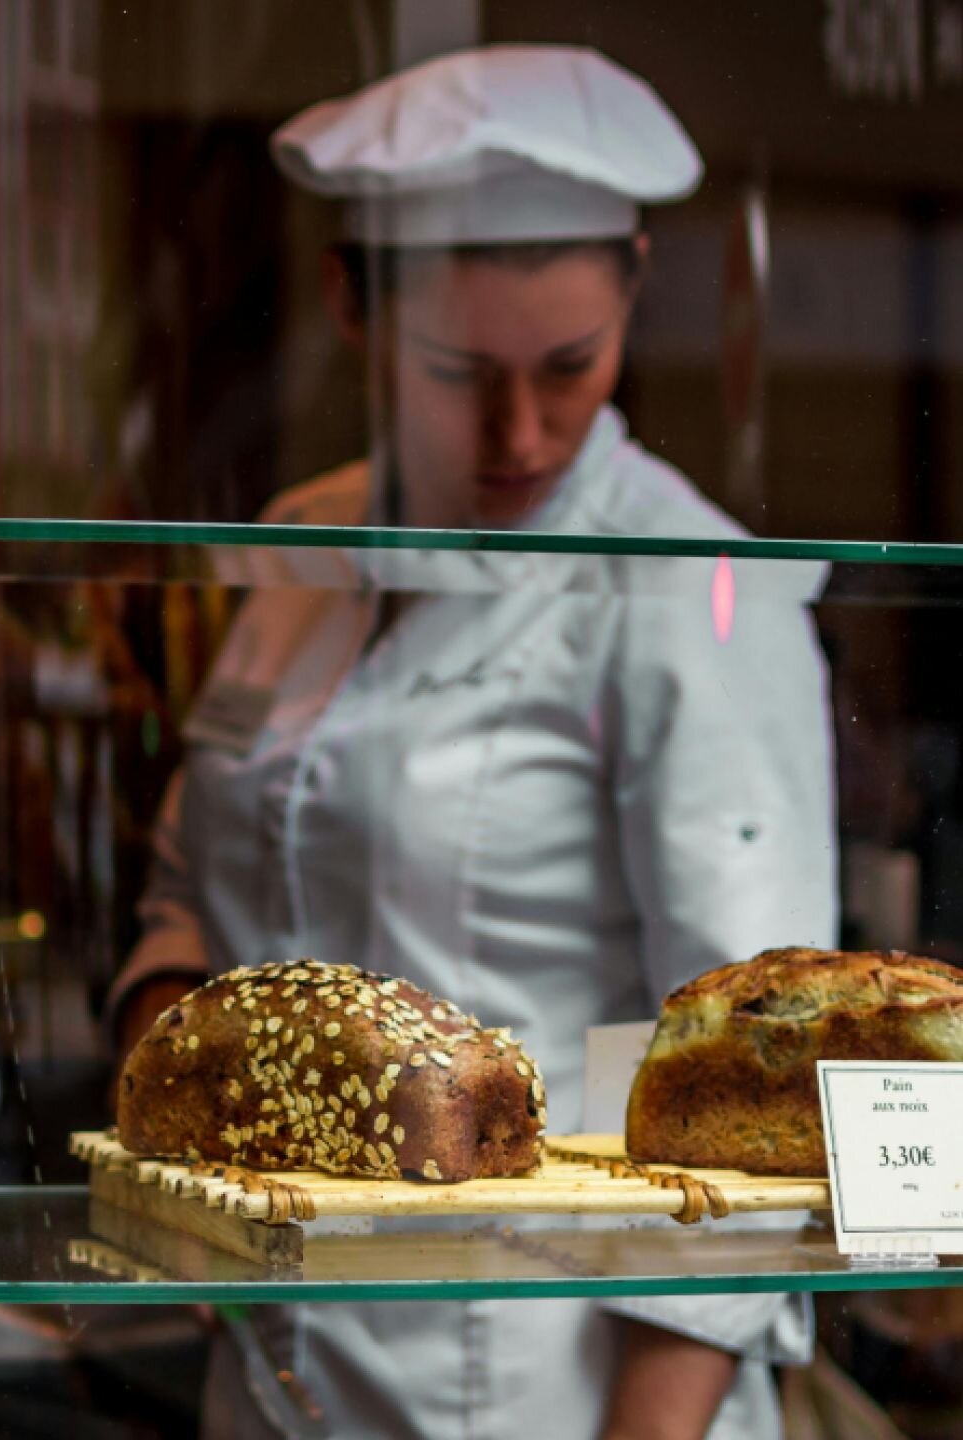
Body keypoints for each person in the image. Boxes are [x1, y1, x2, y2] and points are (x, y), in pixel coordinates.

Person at [107, 44, 838, 1440]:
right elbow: (191, 880)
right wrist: (179, 1095)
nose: (520, 433)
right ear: (350, 309)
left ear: (635, 285)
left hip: (538, 1387)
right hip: (268, 1366)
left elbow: (747, 1092)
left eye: (569, 368)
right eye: (459, 372)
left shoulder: (687, 587)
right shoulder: (300, 548)